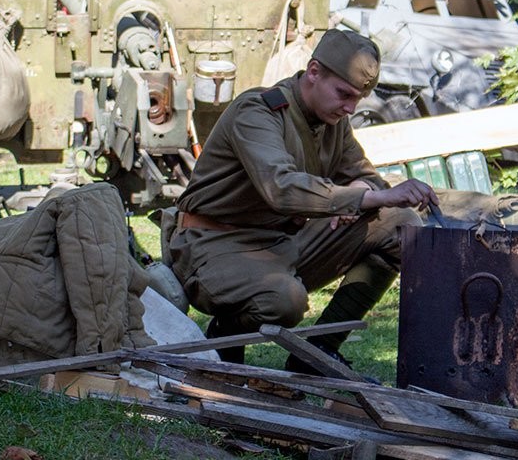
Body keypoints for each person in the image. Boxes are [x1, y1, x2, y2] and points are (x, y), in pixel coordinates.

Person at [167, 28, 440, 372]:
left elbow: (365, 174)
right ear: (313, 72)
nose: (350, 108)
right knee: (285, 302)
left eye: (358, 99)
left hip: (279, 242)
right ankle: (226, 333)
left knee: (402, 227)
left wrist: (361, 185)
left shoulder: (333, 122)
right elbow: (281, 188)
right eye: (344, 94)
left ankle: (318, 351)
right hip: (214, 243)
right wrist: (364, 197)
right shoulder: (258, 111)